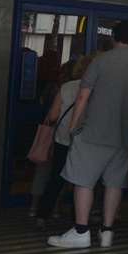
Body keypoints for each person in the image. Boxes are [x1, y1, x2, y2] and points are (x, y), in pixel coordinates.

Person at [49, 22, 128, 250]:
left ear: (114, 37)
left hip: (94, 133)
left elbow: (82, 97)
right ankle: (107, 231)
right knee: (115, 183)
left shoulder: (100, 61)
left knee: (84, 181)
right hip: (124, 135)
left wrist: (73, 127)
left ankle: (81, 231)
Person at [34, 55, 89, 226]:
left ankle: (42, 215)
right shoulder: (97, 90)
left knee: (55, 179)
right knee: (82, 181)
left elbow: (53, 115)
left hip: (62, 139)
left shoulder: (66, 87)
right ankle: (78, 219)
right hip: (85, 142)